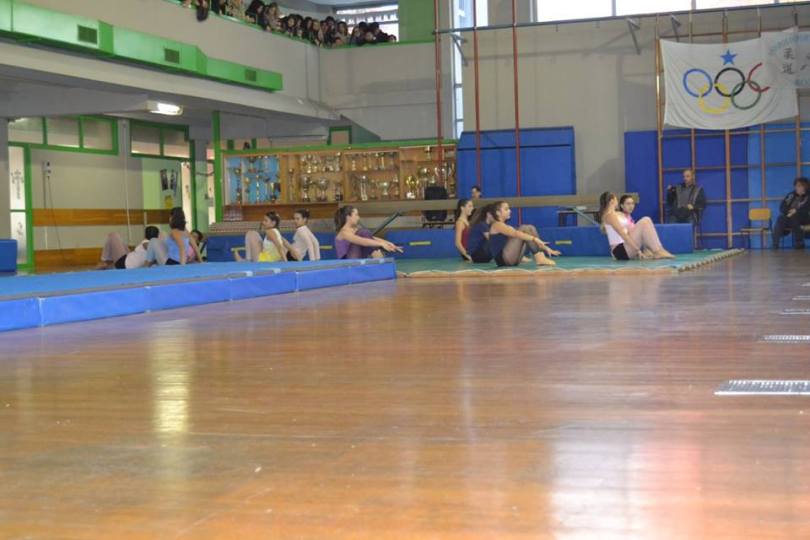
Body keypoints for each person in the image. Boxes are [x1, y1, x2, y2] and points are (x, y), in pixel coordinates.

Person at [600, 192, 673, 260]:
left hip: (625, 246)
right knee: (645, 220)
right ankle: (657, 251)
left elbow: (629, 230)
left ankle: (658, 250)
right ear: (612, 201)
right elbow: (623, 235)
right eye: (616, 199)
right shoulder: (609, 216)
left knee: (646, 223)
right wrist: (637, 250)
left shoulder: (618, 214)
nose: (617, 201)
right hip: (619, 251)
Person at [483, 201, 560, 267]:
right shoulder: (497, 225)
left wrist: (547, 248)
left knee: (529, 228)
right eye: (506, 209)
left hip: (511, 258)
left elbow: (523, 236)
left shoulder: (506, 226)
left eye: (509, 209)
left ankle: (540, 256)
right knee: (524, 228)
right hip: (503, 260)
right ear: (498, 213)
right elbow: (515, 234)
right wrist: (535, 239)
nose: (510, 211)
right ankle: (539, 258)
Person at [334, 206, 402, 259]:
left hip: (357, 259)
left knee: (365, 233)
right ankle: (381, 264)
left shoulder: (355, 230)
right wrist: (381, 244)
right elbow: (361, 241)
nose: (358, 217)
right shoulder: (343, 232)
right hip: (348, 264)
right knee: (364, 233)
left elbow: (372, 238)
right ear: (348, 217)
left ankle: (381, 264)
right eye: (356, 215)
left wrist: (389, 243)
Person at [773, 177, 810, 249]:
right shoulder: (791, 195)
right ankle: (775, 243)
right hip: (790, 217)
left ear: (805, 186)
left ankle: (799, 242)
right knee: (781, 218)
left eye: (799, 186)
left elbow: (807, 207)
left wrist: (796, 211)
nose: (796, 188)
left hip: (805, 217)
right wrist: (789, 211)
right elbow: (782, 206)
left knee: (794, 218)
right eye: (796, 186)